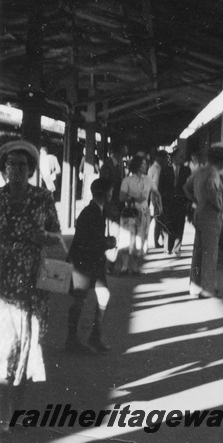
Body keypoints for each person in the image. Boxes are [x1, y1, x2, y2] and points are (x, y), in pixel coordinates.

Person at [0, 140, 63, 435]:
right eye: (11, 164)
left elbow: (57, 236)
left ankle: (17, 411)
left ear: (30, 170)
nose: (16, 170)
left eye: (22, 165)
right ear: (4, 169)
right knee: (4, 347)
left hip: (30, 282)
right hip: (2, 281)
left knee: (25, 346)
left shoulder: (43, 198)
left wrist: (43, 235)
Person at [65, 178, 117, 354]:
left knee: (102, 295)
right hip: (82, 263)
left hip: (92, 262)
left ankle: (94, 336)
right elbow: (91, 240)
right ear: (103, 193)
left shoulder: (96, 210)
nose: (112, 193)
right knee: (80, 299)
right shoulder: (91, 212)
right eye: (110, 190)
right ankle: (72, 340)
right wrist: (108, 243)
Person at [183, 147, 223, 298]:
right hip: (210, 215)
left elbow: (187, 187)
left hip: (199, 213)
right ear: (220, 161)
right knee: (210, 252)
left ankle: (194, 286)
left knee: (198, 251)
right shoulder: (213, 173)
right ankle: (207, 289)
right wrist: (218, 206)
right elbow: (212, 190)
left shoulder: (199, 171)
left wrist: (197, 200)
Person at [118, 156, 161, 274]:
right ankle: (125, 266)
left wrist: (159, 206)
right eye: (143, 164)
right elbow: (121, 197)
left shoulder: (148, 179)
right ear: (137, 165)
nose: (145, 166)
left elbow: (157, 193)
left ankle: (135, 266)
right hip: (130, 212)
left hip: (144, 212)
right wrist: (133, 197)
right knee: (127, 239)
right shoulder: (127, 180)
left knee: (140, 239)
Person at [167, 148, 191, 255]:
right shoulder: (165, 169)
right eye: (181, 156)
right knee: (169, 224)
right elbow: (162, 187)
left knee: (180, 224)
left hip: (181, 202)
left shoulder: (187, 170)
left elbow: (189, 187)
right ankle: (168, 247)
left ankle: (177, 248)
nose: (183, 158)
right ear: (175, 157)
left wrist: (188, 201)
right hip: (168, 202)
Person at [150, 151, 174, 251]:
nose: (166, 160)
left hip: (155, 198)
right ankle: (156, 243)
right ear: (160, 158)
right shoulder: (157, 168)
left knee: (158, 220)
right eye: (165, 158)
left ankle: (157, 241)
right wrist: (156, 201)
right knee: (159, 221)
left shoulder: (153, 167)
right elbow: (156, 186)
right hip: (157, 198)